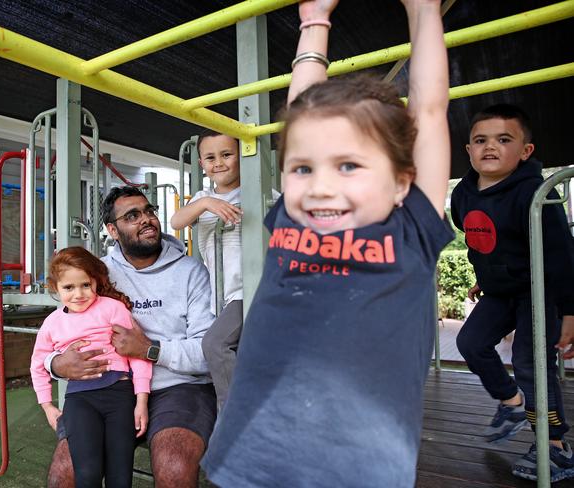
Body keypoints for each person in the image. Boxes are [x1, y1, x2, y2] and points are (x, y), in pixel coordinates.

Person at [202, 0, 453, 486]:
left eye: (349, 166)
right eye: (303, 169)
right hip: (253, 455)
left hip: (361, 466)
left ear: (403, 181)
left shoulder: (411, 231)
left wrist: (423, 10)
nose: (320, 186)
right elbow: (300, 115)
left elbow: (429, 108)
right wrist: (314, 19)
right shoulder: (292, 227)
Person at [45, 186, 216, 488]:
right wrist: (57, 364)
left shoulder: (190, 271)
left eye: (149, 211)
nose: (146, 219)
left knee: (174, 468)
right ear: (112, 229)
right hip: (109, 388)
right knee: (65, 473)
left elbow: (207, 353)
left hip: (177, 386)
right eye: (132, 216)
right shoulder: (95, 273)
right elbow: (59, 332)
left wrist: (150, 350)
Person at [451, 103, 574, 482]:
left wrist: (570, 311)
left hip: (540, 293)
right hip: (501, 291)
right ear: (468, 150)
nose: (490, 147)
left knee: (529, 364)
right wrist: (482, 277)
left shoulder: (535, 194)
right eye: (481, 140)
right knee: (471, 343)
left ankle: (555, 447)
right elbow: (482, 244)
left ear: (525, 152)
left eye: (504, 139)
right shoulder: (463, 196)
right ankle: (512, 403)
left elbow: (561, 256)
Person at [171, 130, 278, 411]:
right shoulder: (202, 197)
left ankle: (232, 417)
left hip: (253, 287)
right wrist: (207, 203)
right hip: (223, 293)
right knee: (239, 351)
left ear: (242, 156)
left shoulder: (258, 191)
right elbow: (176, 221)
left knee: (215, 344)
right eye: (210, 157)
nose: (218, 162)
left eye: (226, 154)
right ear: (201, 163)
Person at [30, 246, 152, 487]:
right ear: (56, 288)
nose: (79, 294)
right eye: (68, 287)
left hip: (119, 396)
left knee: (120, 476)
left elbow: (138, 355)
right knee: (87, 474)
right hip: (80, 400)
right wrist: (47, 406)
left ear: (95, 281)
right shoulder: (52, 323)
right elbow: (37, 365)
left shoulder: (113, 308)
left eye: (85, 284)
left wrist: (141, 401)